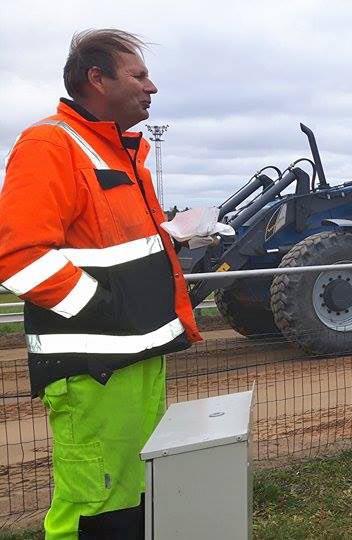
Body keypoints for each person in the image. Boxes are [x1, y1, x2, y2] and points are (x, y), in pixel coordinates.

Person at [0, 29, 201, 538]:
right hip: (96, 368)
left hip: (135, 357)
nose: (151, 88)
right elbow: (18, 256)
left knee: (131, 493)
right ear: (96, 79)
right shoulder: (50, 144)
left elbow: (115, 247)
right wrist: (106, 309)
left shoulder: (121, 154)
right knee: (94, 505)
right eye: (139, 76)